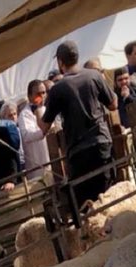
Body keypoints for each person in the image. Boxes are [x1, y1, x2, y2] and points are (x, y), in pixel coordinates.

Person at [41, 39, 117, 207]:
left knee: (86, 203)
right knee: (108, 197)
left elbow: (44, 127)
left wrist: (40, 109)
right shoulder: (94, 76)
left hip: (78, 152)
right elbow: (113, 105)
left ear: (60, 62)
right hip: (101, 143)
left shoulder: (58, 88)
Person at [19, 79, 52, 179]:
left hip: (52, 157)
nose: (42, 96)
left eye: (43, 93)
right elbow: (26, 136)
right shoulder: (25, 114)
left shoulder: (48, 109)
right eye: (38, 93)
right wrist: (43, 131)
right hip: (37, 163)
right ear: (30, 96)